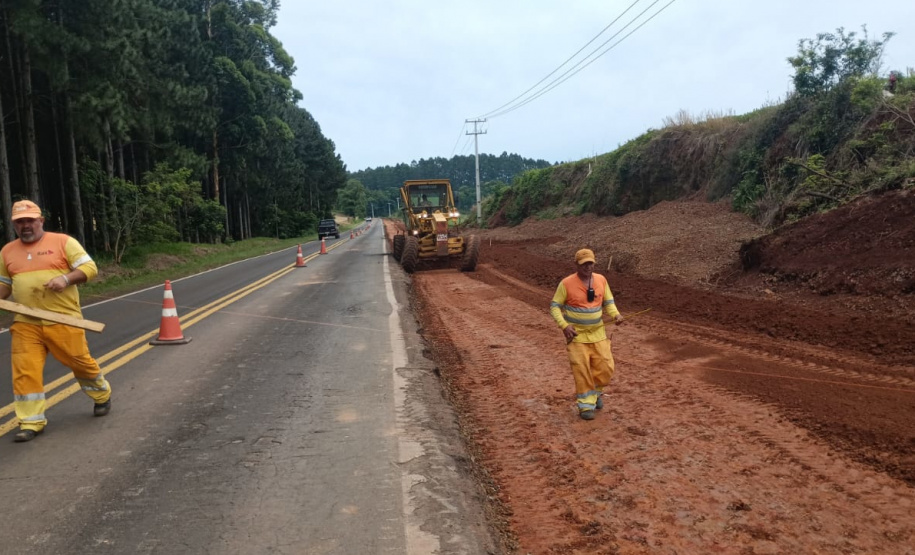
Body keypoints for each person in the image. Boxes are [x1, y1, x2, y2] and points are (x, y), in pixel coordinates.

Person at [0, 200, 111, 442]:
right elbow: (5, 286)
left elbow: (90, 268)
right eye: (20, 222)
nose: (26, 225)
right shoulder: (7, 251)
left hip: (63, 319)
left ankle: (101, 395)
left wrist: (66, 279)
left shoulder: (63, 242)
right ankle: (30, 422)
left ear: (40, 221)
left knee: (80, 363)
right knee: (24, 371)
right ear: (14, 225)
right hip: (25, 323)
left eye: (30, 220)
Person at [549, 248, 624, 420]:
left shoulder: (601, 280)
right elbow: (554, 306)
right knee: (581, 370)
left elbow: (608, 302)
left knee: (606, 367)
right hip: (576, 337)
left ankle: (596, 393)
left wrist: (616, 315)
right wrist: (564, 326)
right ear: (577, 264)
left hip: (598, 334)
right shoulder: (566, 283)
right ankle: (585, 406)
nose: (587, 267)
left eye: (590, 263)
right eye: (584, 264)